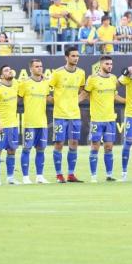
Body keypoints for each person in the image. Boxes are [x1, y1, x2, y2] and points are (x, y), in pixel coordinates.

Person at [81, 55, 120, 182]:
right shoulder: (92, 79)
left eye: (111, 64)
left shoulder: (113, 78)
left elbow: (114, 96)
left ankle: (109, 175)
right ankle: (93, 176)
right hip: (97, 119)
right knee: (95, 147)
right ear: (101, 65)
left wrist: (128, 101)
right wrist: (72, 103)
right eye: (107, 64)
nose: (109, 66)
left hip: (110, 119)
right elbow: (85, 94)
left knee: (109, 147)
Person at [49, 46, 86, 183]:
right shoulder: (57, 73)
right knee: (59, 143)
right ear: (66, 57)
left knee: (74, 142)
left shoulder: (81, 73)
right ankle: (59, 175)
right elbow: (47, 91)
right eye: (73, 56)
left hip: (75, 115)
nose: (76, 58)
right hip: (60, 114)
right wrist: (56, 101)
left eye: (77, 56)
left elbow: (84, 91)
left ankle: (71, 174)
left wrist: (77, 100)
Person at [18, 59, 51, 185]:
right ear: (30, 69)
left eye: (41, 66)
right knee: (26, 149)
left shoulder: (45, 83)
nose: (39, 68)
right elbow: (18, 100)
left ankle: (39, 176)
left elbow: (48, 98)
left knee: (41, 149)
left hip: (42, 123)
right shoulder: (24, 83)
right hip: (29, 123)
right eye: (36, 66)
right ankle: (25, 177)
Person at [0, 65, 20, 186]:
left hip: (13, 125)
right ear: (1, 76)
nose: (10, 71)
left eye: (10, 69)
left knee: (12, 151)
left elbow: (28, 83)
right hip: (1, 125)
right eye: (6, 70)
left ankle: (10, 177)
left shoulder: (16, 84)